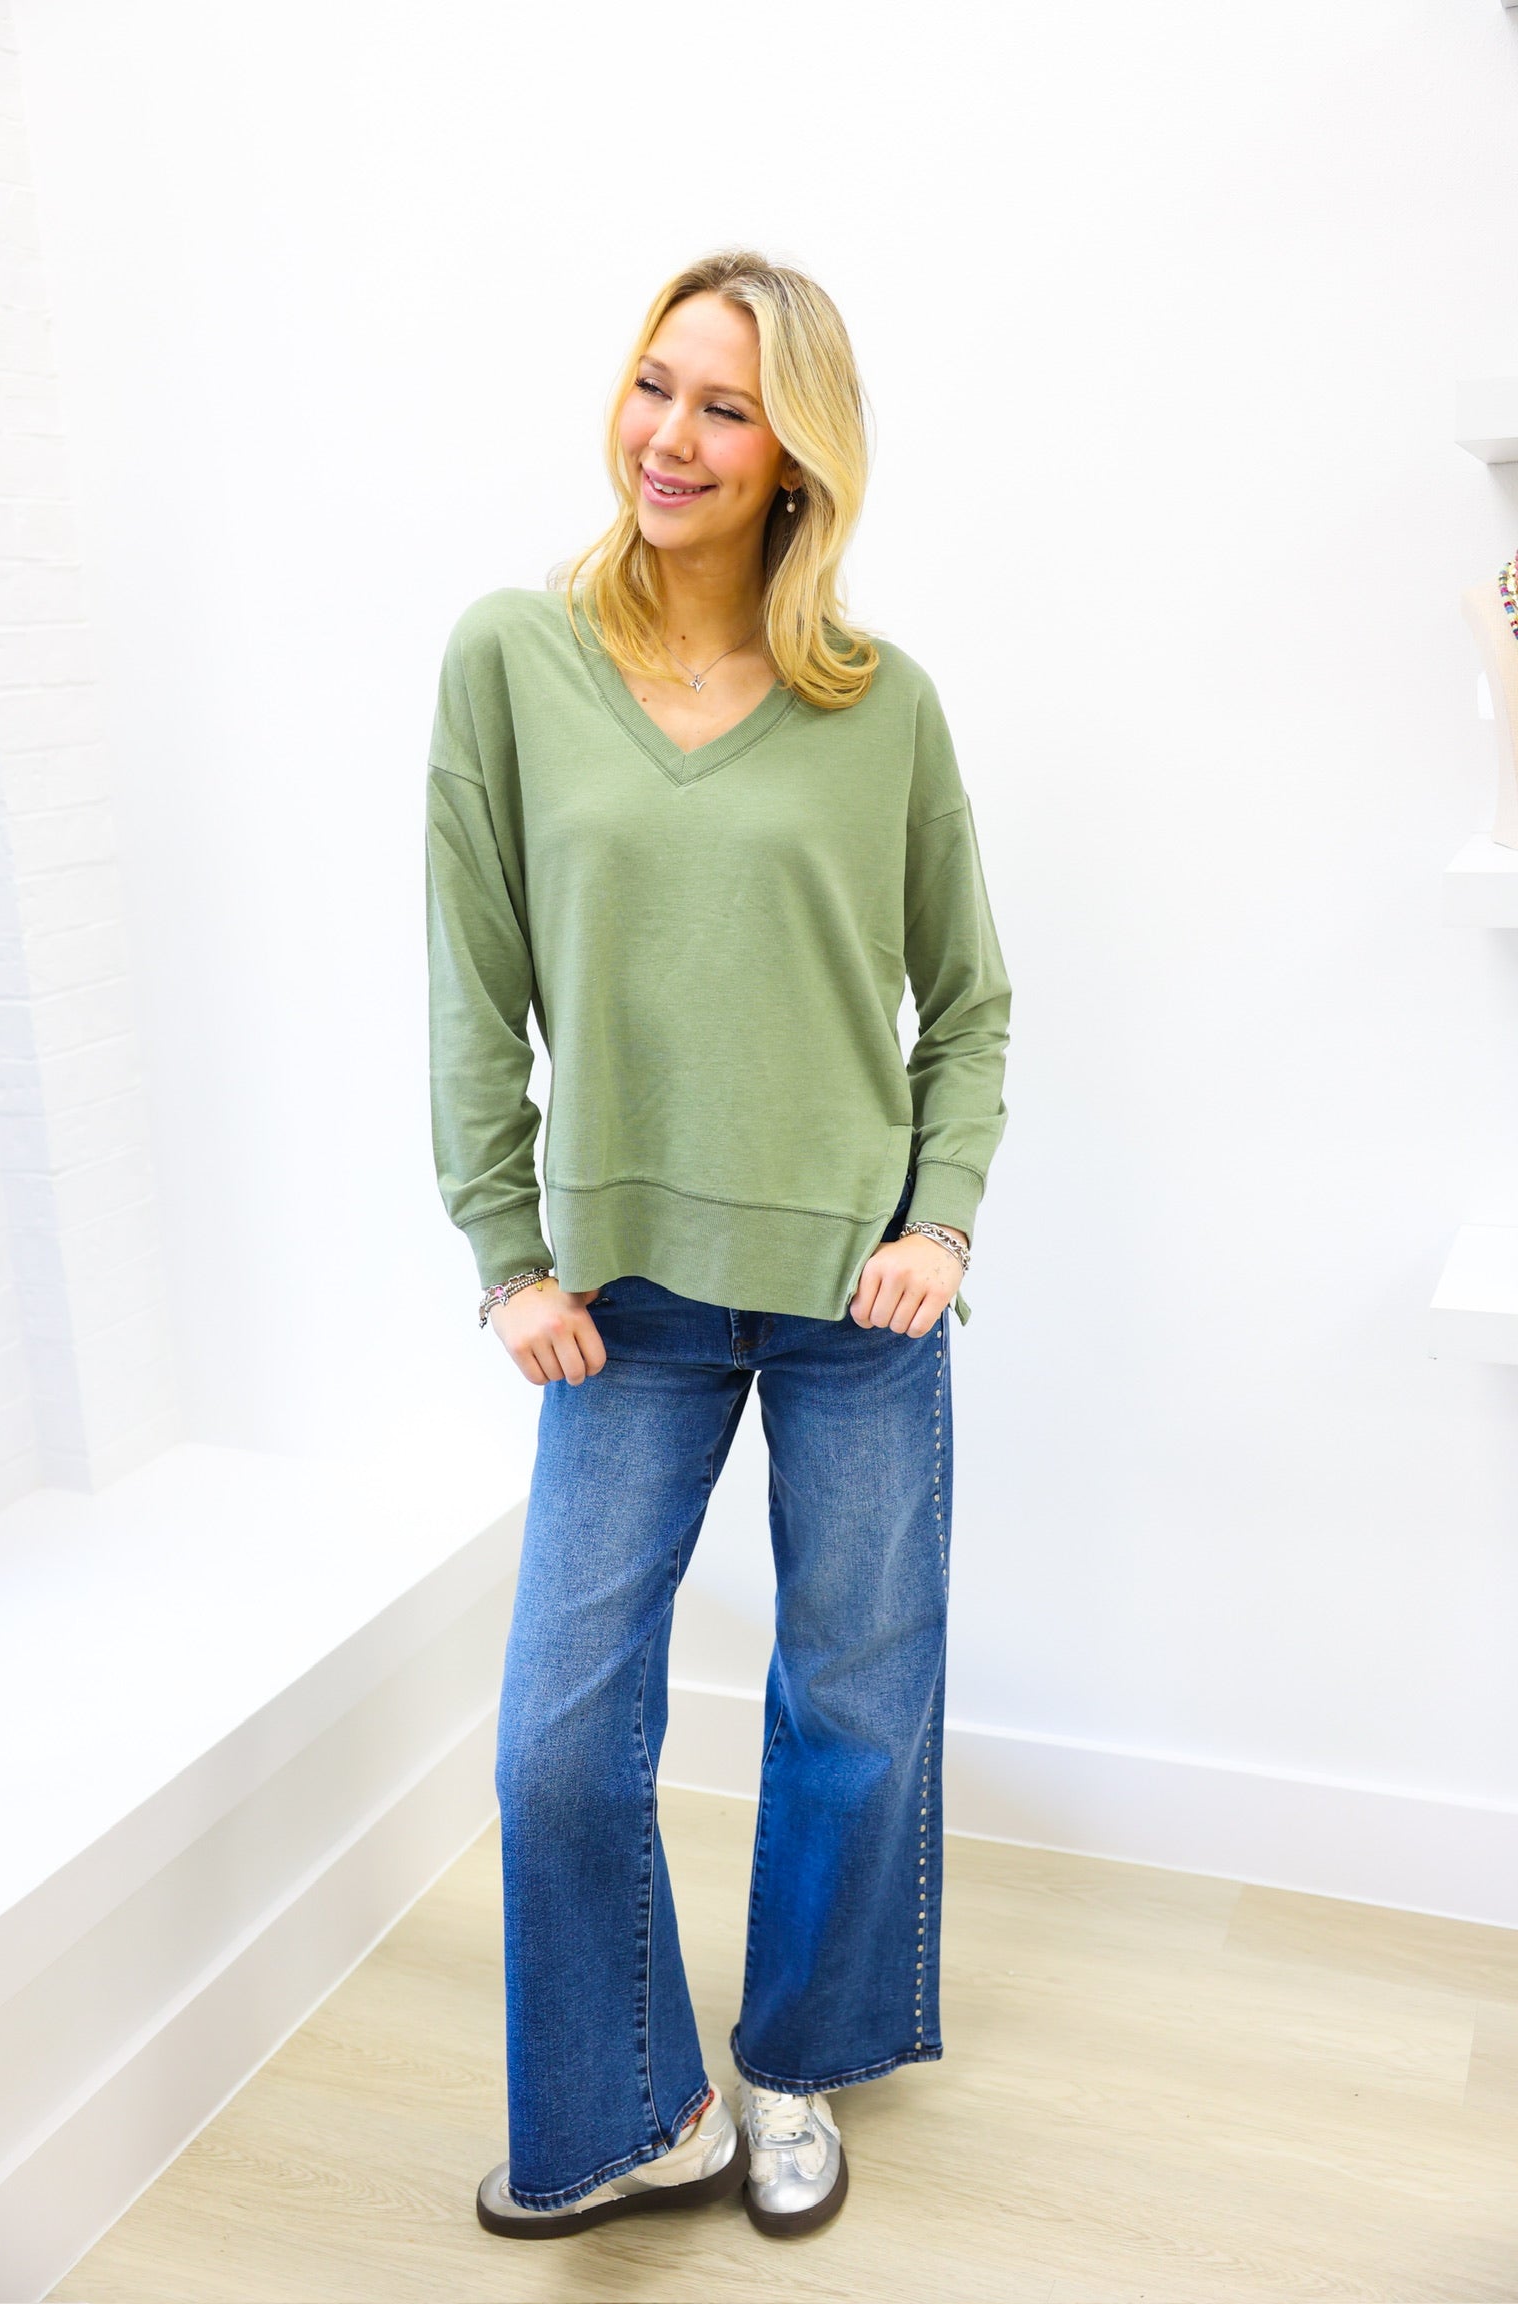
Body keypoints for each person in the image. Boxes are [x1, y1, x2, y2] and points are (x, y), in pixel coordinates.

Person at [423, 246, 1012, 2243]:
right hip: (629, 1306)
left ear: (797, 460)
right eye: (656, 385)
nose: (671, 435)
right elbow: (468, 979)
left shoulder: (881, 707)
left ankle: (795, 2068)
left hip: (861, 1301)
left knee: (855, 1707)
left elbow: (974, 999)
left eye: (727, 407)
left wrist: (939, 1219)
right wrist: (509, 1247)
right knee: (560, 1736)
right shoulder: (514, 656)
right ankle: (640, 2107)